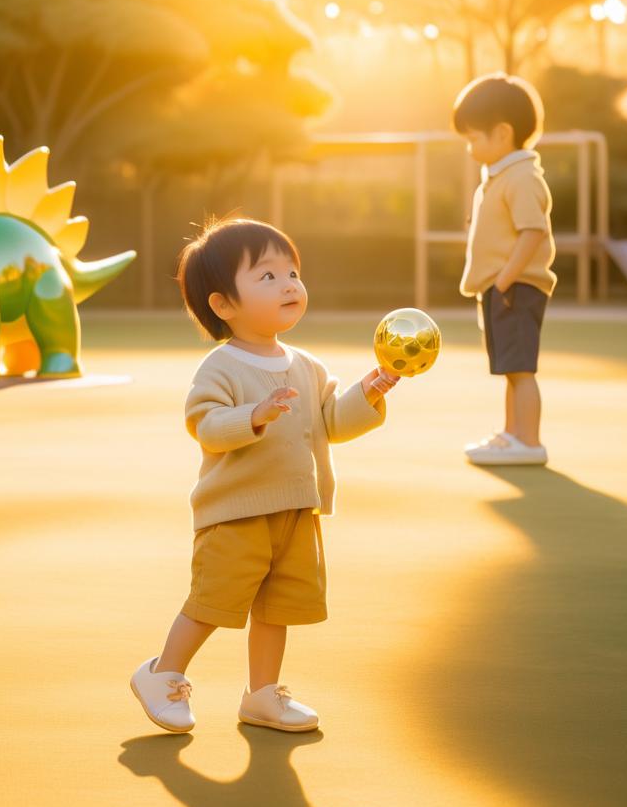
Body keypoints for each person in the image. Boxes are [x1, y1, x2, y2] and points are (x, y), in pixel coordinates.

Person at [130, 216, 398, 733]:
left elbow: (330, 424)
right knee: (213, 601)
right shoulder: (220, 367)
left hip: (297, 508)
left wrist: (368, 392)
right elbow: (204, 425)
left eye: (292, 271)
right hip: (236, 511)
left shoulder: (309, 367)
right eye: (267, 276)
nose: (289, 284)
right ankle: (163, 674)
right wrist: (253, 415)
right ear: (224, 305)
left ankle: (261, 694)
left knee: (277, 607)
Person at [453, 72, 556, 466]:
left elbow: (533, 231)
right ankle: (513, 434)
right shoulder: (500, 177)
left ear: (502, 133)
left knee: (520, 368)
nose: (469, 148)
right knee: (511, 369)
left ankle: (529, 441)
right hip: (501, 289)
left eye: (473, 138)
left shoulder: (522, 177)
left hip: (516, 287)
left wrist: (505, 279)